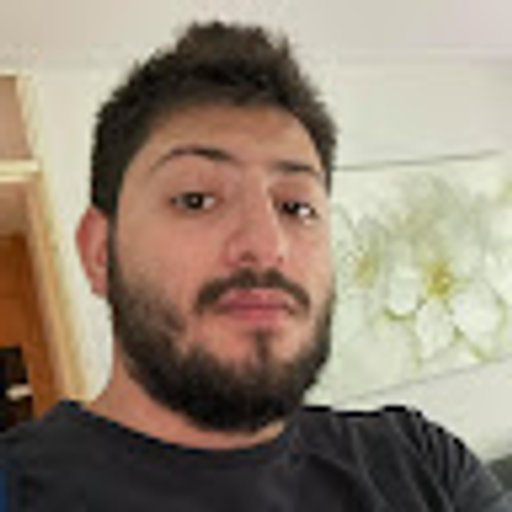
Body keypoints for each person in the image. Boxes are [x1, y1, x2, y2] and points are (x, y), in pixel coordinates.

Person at [0, 21, 509, 511]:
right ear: (99, 252)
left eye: (296, 207)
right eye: (196, 199)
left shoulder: (419, 463)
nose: (267, 245)